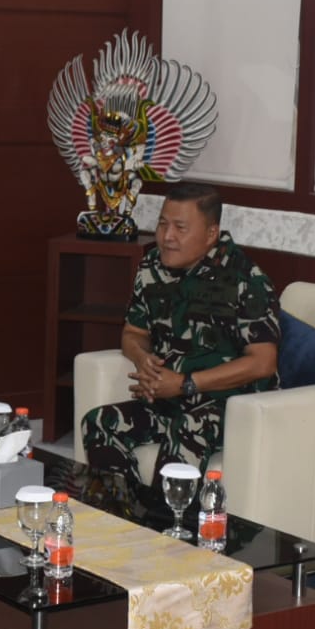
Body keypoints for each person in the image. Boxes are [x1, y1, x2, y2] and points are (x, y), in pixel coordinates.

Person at [75, 183, 280, 501]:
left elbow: (263, 362)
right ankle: (123, 513)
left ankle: (164, 524)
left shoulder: (245, 279)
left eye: (180, 228)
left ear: (211, 233)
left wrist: (185, 384)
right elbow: (133, 334)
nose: (167, 236)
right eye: (162, 224)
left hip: (227, 407)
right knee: (100, 423)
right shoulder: (152, 267)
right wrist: (143, 360)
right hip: (169, 399)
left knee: (185, 429)